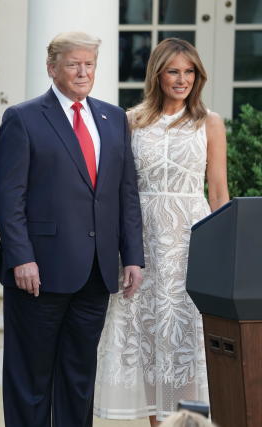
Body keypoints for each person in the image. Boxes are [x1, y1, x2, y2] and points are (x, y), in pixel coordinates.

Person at [0, 31, 145, 426]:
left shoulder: (113, 119)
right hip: (38, 272)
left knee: (79, 378)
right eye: (73, 63)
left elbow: (125, 194)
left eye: (89, 64)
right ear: (52, 67)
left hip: (96, 271)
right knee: (31, 378)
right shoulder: (22, 118)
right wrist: (22, 257)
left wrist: (132, 257)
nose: (82, 71)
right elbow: (10, 198)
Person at [94, 38, 229, 426]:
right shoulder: (131, 120)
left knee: (187, 337)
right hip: (143, 240)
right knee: (149, 340)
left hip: (191, 238)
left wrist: (222, 251)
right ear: (158, 74)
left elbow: (218, 191)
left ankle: (187, 422)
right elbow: (121, 189)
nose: (182, 79)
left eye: (189, 72)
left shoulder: (210, 123)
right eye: (174, 71)